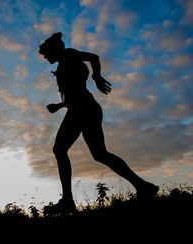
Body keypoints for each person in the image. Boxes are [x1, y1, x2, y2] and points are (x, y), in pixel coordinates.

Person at [39, 32, 159, 215]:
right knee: (100, 154)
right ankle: (143, 186)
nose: (45, 58)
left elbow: (93, 57)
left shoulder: (69, 54)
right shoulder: (65, 63)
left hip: (82, 109)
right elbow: (74, 92)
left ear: (53, 50)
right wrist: (59, 105)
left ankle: (68, 201)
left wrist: (97, 76)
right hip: (86, 108)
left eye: (46, 54)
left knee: (60, 149)